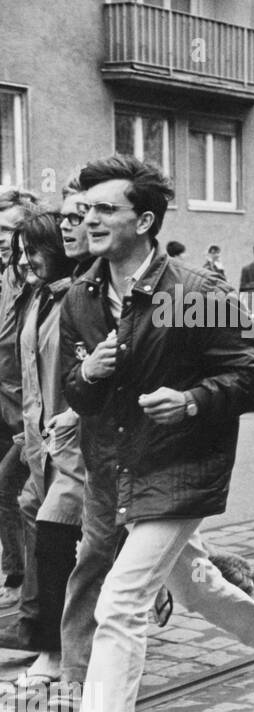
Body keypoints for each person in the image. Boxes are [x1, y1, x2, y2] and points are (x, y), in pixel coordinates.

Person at [40, 155, 254, 712]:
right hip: (115, 472)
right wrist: (89, 376)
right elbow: (76, 392)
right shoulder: (81, 296)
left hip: (181, 468)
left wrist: (190, 401)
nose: (88, 220)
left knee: (120, 602)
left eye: (104, 210)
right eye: (84, 209)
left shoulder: (198, 287)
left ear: (144, 220)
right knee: (191, 586)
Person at [8, 207, 85, 687]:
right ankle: (40, 634)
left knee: (54, 536)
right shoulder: (36, 299)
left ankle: (54, 651)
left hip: (80, 448)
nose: (23, 261)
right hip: (41, 445)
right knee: (179, 566)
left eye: (32, 251)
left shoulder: (81, 299)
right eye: (20, 253)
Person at [0, 188, 38, 616]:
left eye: (10, 229)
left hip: (37, 414)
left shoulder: (36, 281)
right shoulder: (11, 277)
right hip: (12, 410)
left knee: (21, 497)